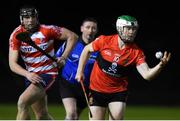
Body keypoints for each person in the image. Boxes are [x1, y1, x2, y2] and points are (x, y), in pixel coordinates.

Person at [75, 15, 171, 120]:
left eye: (134, 29)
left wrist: (160, 65)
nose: (132, 32)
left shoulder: (136, 52)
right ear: (120, 29)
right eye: (128, 29)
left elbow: (147, 75)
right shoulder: (104, 40)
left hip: (117, 92)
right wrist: (80, 71)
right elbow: (86, 50)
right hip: (96, 90)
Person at [9, 5, 78, 120]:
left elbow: (72, 36)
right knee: (42, 115)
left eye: (32, 17)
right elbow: (12, 64)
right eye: (26, 17)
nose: (30, 20)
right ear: (21, 19)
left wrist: (64, 57)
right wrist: (27, 74)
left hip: (47, 73)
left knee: (22, 103)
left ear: (37, 17)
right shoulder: (16, 35)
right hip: (31, 76)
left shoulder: (48, 30)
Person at [55, 17, 98, 120]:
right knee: (71, 114)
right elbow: (57, 58)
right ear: (81, 28)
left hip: (88, 87)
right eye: (87, 27)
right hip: (68, 83)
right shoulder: (71, 44)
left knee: (76, 116)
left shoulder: (98, 47)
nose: (90, 30)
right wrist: (59, 61)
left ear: (96, 30)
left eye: (93, 28)